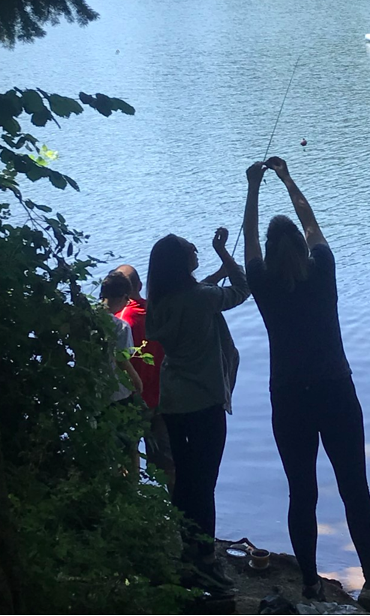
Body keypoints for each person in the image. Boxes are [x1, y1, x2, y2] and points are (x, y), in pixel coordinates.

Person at [243, 157, 370, 614]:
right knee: (355, 488)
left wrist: (252, 188)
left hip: (289, 399)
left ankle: (308, 586)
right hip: (336, 393)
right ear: (302, 250)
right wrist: (287, 179)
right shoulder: (322, 269)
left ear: (268, 249)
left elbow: (248, 239)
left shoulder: (261, 282)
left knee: (301, 492)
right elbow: (311, 222)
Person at [145, 228, 250, 589]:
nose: (194, 248)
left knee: (187, 478)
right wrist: (222, 252)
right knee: (205, 483)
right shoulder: (201, 298)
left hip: (173, 401)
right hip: (204, 401)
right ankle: (206, 559)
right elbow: (242, 287)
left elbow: (195, 294)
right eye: (189, 248)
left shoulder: (159, 300)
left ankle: (187, 550)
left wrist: (214, 273)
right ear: (180, 263)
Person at [114, 264, 175, 495]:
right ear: (139, 286)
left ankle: (133, 510)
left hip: (131, 401)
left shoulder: (118, 323)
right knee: (168, 465)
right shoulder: (157, 312)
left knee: (128, 459)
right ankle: (181, 520)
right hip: (161, 400)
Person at [100, 271, 143, 403]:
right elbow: (123, 360)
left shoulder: (86, 319)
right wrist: (137, 383)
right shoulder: (120, 326)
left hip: (95, 391)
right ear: (121, 297)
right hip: (117, 393)